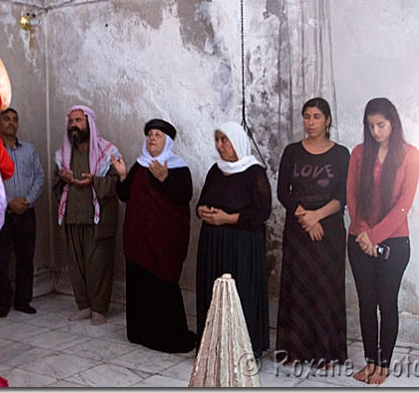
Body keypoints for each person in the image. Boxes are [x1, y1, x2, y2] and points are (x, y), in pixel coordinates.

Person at [347, 98, 419, 385]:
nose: (376, 131)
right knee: (366, 303)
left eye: (381, 125)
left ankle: (385, 365)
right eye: (371, 126)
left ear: (393, 123)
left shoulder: (410, 155)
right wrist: (363, 233)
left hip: (395, 243)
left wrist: (374, 237)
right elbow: (351, 196)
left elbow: (405, 203)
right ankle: (369, 362)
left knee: (386, 303)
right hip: (359, 240)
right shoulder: (359, 153)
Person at [275, 98, 350, 368]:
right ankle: (293, 351)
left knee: (324, 290)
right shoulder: (292, 151)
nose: (310, 122)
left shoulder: (341, 154)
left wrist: (317, 216)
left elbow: (343, 195)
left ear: (328, 120)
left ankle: (326, 353)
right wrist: (305, 218)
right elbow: (283, 191)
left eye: (317, 116)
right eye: (306, 116)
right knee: (297, 288)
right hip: (298, 230)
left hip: (329, 231)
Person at [111, 119, 196, 353]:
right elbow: (125, 194)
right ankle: (141, 333)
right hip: (138, 239)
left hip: (164, 241)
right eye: (149, 134)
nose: (152, 138)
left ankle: (168, 337)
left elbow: (184, 195)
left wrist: (165, 179)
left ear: (167, 141)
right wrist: (121, 175)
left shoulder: (177, 167)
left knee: (163, 285)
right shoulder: (140, 166)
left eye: (158, 135)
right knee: (140, 284)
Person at [195, 121, 271, 358]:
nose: (219, 145)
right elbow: (202, 200)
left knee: (241, 295)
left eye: (224, 139)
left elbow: (262, 212)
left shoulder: (255, 172)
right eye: (217, 140)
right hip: (214, 245)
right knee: (213, 295)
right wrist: (202, 212)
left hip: (243, 246)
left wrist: (228, 218)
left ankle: (243, 348)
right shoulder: (215, 170)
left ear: (236, 141)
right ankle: (213, 346)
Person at [54, 105, 121, 326]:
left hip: (98, 221)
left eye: (78, 121)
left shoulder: (108, 152)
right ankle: (84, 306)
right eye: (71, 121)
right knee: (76, 265)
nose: (74, 125)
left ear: (89, 124)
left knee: (98, 265)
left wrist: (95, 181)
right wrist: (62, 178)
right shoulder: (64, 154)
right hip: (73, 217)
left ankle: (99, 309)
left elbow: (117, 184)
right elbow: (56, 186)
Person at [0, 108, 44, 318]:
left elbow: (39, 177)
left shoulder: (29, 150)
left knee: (25, 258)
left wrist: (26, 201)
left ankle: (23, 300)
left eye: (15, 119)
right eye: (7, 119)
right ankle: (3, 302)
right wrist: (8, 203)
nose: (11, 123)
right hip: (1, 213)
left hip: (26, 212)